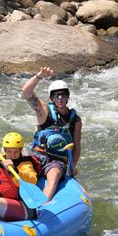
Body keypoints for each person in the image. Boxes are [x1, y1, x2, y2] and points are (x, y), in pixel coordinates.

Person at [21, 66, 82, 201]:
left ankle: (43, 207)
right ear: (52, 98)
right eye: (56, 95)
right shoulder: (44, 111)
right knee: (20, 170)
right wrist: (39, 76)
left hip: (57, 160)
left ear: (68, 97)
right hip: (37, 154)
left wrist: (72, 167)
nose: (60, 98)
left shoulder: (75, 120)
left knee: (54, 176)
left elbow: (76, 146)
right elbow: (26, 91)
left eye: (63, 95)